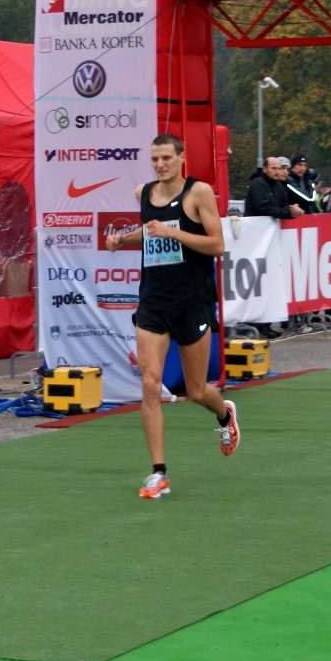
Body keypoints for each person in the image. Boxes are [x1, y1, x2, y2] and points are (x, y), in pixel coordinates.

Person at [104, 134, 240, 500]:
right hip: (153, 302)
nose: (160, 165)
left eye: (166, 157)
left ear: (182, 157)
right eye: (154, 159)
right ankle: (158, 473)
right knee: (150, 384)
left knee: (195, 391)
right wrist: (122, 240)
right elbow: (151, 232)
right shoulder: (143, 193)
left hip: (192, 302)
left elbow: (217, 245)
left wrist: (172, 232)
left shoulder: (199, 193)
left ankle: (225, 415)